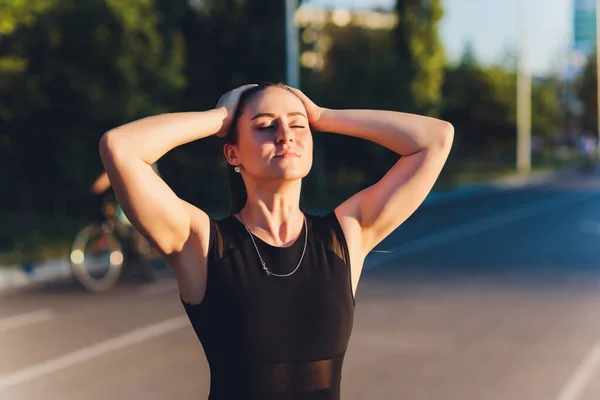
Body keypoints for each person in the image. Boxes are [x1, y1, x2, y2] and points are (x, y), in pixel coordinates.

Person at [99, 82, 454, 399]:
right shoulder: (203, 243)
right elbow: (120, 147)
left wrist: (322, 114)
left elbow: (436, 138)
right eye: (266, 125)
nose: (285, 134)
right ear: (233, 154)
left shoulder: (345, 235)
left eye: (297, 125)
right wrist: (220, 116)